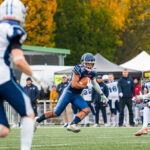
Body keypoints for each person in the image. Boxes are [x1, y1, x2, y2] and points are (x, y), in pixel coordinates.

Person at [0, 1, 47, 150]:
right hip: (2, 76)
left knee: (4, 130)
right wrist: (36, 77)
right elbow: (18, 60)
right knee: (28, 112)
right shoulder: (13, 29)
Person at [36, 53, 108, 133]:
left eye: (91, 63)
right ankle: (37, 120)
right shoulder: (78, 69)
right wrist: (83, 85)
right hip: (68, 92)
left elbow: (95, 83)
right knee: (56, 113)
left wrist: (102, 94)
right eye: (88, 63)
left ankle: (72, 124)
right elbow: (73, 85)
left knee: (86, 109)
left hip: (76, 95)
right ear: (83, 63)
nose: (89, 65)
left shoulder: (93, 72)